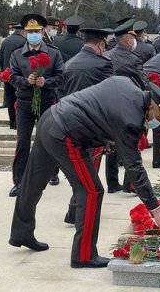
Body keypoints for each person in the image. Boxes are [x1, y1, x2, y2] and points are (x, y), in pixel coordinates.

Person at [9, 76, 160, 268]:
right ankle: (83, 256)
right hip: (64, 134)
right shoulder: (130, 118)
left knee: (33, 182)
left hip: (50, 118)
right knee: (91, 191)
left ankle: (21, 233)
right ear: (151, 107)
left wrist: (106, 141)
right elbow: (134, 168)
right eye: (157, 117)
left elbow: (100, 111)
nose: (156, 122)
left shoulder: (127, 84)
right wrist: (156, 210)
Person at [61, 26, 115, 225]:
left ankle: (73, 212)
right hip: (93, 127)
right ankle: (77, 213)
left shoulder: (70, 63)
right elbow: (109, 99)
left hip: (69, 124)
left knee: (80, 171)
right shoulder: (103, 65)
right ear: (101, 44)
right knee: (89, 173)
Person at [8, 14, 63, 197]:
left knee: (49, 138)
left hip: (47, 101)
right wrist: (26, 81)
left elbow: (61, 77)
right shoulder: (16, 53)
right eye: (30, 31)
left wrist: (45, 82)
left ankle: (52, 173)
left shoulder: (53, 53)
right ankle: (19, 181)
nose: (33, 34)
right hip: (24, 102)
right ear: (24, 33)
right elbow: (12, 77)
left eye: (37, 31)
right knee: (23, 142)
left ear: (43, 32)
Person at [104, 19, 146, 193]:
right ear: (128, 40)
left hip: (108, 106)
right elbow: (142, 85)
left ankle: (112, 183)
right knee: (131, 147)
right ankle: (130, 185)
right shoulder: (134, 60)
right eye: (133, 37)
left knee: (111, 144)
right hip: (129, 108)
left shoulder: (106, 56)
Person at [0, 23, 26, 129]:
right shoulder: (24, 41)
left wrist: (3, 72)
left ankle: (12, 123)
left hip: (7, 75)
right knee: (20, 99)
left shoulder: (5, 41)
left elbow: (1, 58)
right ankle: (19, 123)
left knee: (10, 100)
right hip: (20, 76)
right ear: (23, 31)